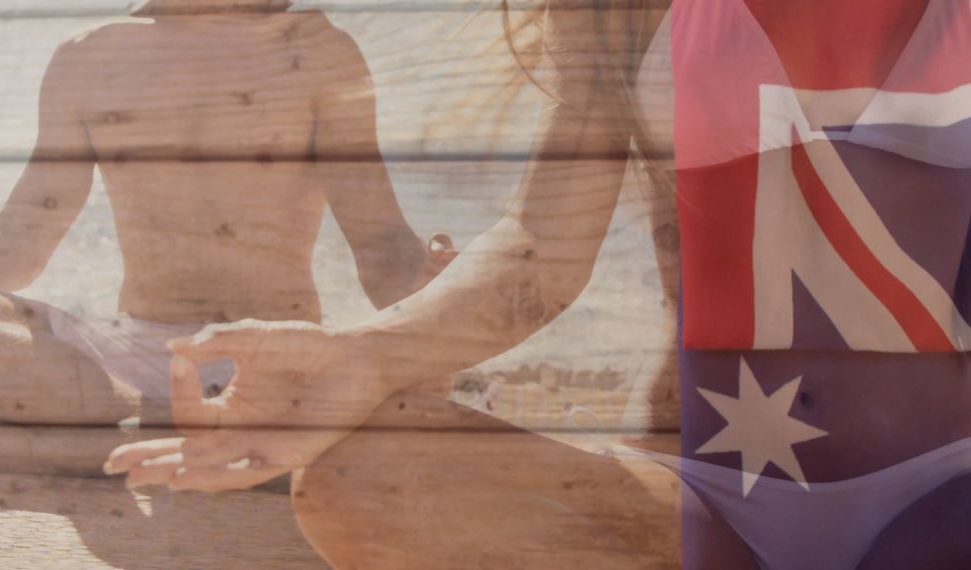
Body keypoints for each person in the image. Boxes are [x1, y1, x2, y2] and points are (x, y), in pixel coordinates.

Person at [108, 0, 971, 568]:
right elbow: (538, 245)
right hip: (716, 499)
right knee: (366, 473)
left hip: (949, 481)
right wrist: (364, 355)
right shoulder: (622, 10)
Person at [0, 0, 453, 475]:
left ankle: (113, 437)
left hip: (271, 360)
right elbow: (15, 239)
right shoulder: (90, 55)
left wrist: (429, 293)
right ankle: (163, 424)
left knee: (415, 387)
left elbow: (379, 239)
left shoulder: (313, 50)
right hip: (125, 363)